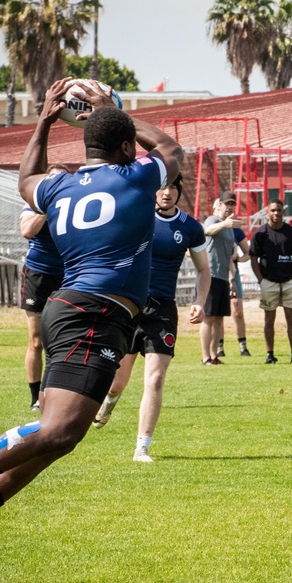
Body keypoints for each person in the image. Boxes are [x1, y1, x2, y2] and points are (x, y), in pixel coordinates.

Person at [0, 78, 182, 580]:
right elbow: (171, 148)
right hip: (91, 312)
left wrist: (42, 121)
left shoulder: (57, 185)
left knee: (64, 436)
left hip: (84, 309)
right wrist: (114, 112)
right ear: (127, 147)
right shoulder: (136, 177)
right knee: (58, 429)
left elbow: (25, 179)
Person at [91, 174, 212, 462]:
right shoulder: (135, 216)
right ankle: (109, 402)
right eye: (162, 187)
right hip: (129, 304)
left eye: (172, 188)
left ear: (179, 192)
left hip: (162, 310)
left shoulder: (190, 228)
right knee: (117, 381)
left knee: (155, 379)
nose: (167, 193)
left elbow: (204, 270)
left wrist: (199, 302)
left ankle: (142, 447)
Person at [19, 163, 70, 410]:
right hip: (38, 275)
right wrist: (46, 209)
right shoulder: (34, 204)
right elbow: (27, 231)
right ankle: (34, 398)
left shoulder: (73, 206)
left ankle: (56, 392)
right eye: (52, 180)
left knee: (62, 339)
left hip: (68, 274)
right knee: (36, 340)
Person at [250, 199, 292, 364]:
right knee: (269, 319)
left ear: (283, 212)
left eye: (279, 210)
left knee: (291, 319)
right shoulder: (260, 233)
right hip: (269, 282)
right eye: (273, 210)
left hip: (289, 281)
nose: (276, 213)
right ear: (267, 211)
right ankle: (270, 354)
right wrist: (261, 280)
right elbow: (253, 258)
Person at [200, 192, 242, 364]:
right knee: (208, 317)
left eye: (232, 204)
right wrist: (224, 223)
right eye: (227, 204)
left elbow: (231, 258)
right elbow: (206, 231)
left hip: (223, 278)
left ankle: (214, 356)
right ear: (220, 205)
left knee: (219, 319)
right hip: (210, 276)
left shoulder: (230, 230)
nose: (230, 207)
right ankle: (205, 357)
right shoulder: (213, 220)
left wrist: (233, 280)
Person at [219, 225, 251, 358]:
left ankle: (243, 347)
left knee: (237, 311)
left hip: (233, 273)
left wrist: (238, 259)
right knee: (217, 313)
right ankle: (218, 347)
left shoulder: (236, 231)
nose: (229, 209)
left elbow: (248, 253)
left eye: (232, 205)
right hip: (217, 274)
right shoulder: (212, 227)